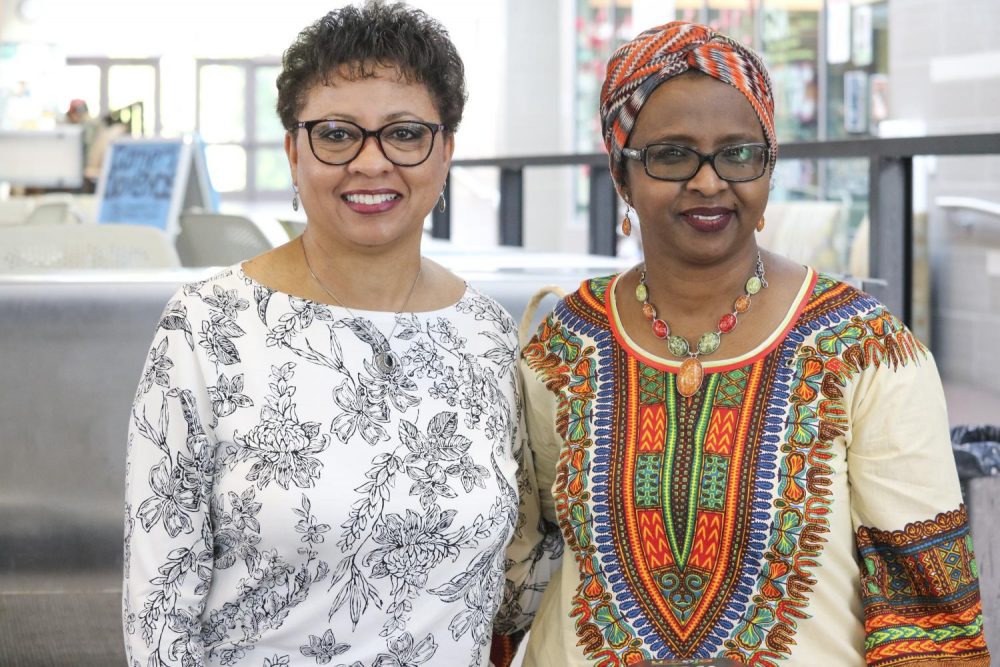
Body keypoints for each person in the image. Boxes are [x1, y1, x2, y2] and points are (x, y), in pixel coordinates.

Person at [494, 21, 991, 666]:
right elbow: (516, 562)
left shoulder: (864, 348)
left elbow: (929, 611)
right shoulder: (565, 342)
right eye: (671, 154)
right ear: (622, 174)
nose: (708, 181)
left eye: (738, 153)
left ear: (769, 168)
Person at [123, 3, 536, 665]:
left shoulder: (486, 334)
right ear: (293, 149)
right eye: (338, 134)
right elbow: (159, 612)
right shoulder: (206, 327)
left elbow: (512, 579)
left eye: (404, 133)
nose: (371, 163)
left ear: (446, 150)